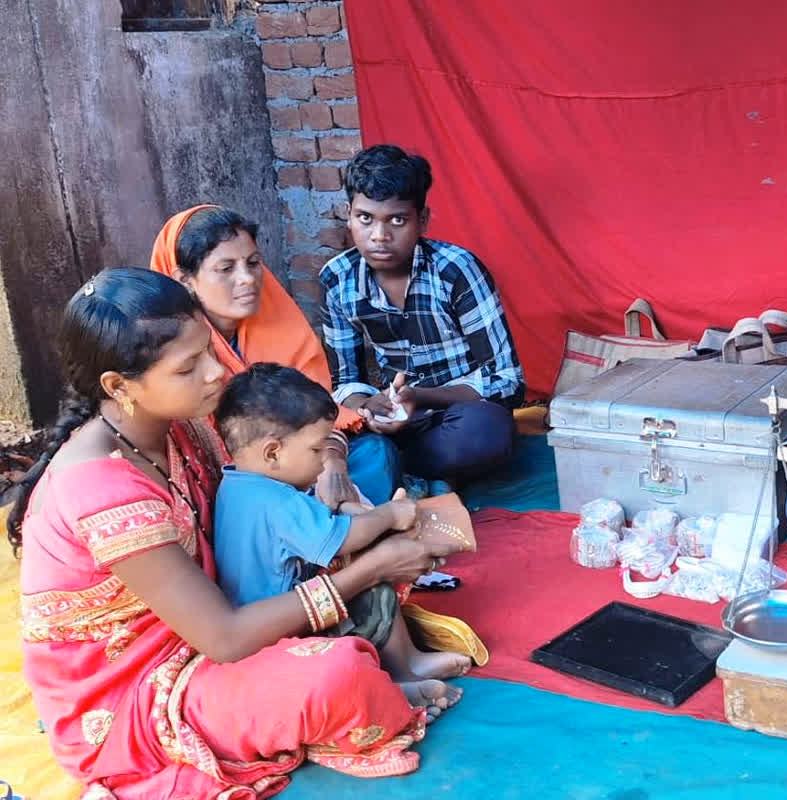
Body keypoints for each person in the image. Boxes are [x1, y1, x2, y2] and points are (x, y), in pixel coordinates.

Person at [9, 268, 460, 798]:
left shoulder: (184, 423)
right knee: (335, 673)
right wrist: (367, 572)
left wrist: (333, 465)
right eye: (188, 366)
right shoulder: (103, 492)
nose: (215, 373)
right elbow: (224, 639)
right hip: (143, 692)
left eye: (209, 350)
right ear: (119, 387)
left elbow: (310, 427)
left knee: (359, 530)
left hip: (223, 617)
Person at [213, 363, 473, 681]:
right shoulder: (279, 502)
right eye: (317, 449)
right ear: (272, 453)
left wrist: (358, 512)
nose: (326, 459)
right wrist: (389, 514)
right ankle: (405, 670)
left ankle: (401, 669)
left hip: (265, 619)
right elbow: (344, 538)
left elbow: (320, 521)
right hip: (283, 629)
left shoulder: (239, 485)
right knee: (373, 585)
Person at [150, 205, 403, 507]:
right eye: (226, 268)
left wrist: (331, 463)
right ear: (183, 280)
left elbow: (319, 415)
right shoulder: (172, 347)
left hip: (301, 459)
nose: (247, 279)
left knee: (374, 453)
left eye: (253, 263)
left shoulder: (279, 323)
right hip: (234, 483)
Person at [320, 144, 524, 488]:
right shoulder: (337, 279)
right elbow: (345, 382)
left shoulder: (457, 270)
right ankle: (407, 465)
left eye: (396, 220)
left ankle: (396, 467)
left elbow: (508, 382)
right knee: (331, 438)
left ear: (422, 221)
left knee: (487, 432)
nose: (379, 236)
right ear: (349, 214)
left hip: (457, 413)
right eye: (365, 218)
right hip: (392, 419)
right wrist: (371, 406)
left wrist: (419, 398)